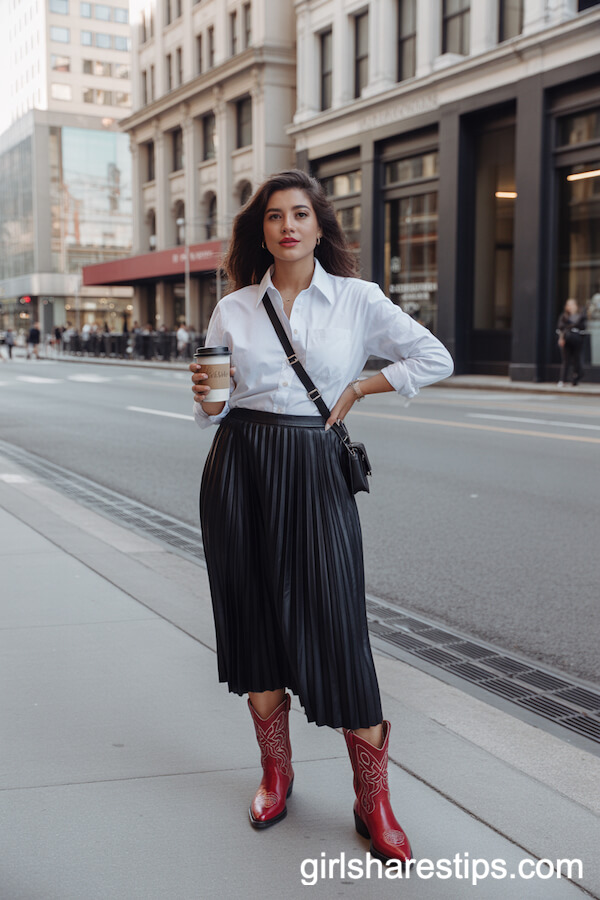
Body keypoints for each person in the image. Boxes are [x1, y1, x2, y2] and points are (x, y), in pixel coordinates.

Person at [189, 169, 453, 865]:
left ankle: (374, 801)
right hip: (240, 464)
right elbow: (211, 408)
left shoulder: (358, 299)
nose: (287, 226)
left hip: (313, 467)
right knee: (253, 620)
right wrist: (205, 394)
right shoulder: (234, 309)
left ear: (318, 225)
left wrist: (365, 384)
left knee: (336, 625)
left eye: (300, 214)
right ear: (262, 230)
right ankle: (277, 775)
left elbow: (435, 356)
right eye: (274, 216)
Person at [557, 298, 586, 386]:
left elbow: (583, 327)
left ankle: (575, 378)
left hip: (577, 340)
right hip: (567, 339)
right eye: (568, 304)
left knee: (576, 360)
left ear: (576, 306)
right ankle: (563, 380)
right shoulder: (564, 316)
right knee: (566, 360)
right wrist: (561, 338)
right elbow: (560, 328)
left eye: (572, 304)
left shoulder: (581, 316)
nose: (570, 306)